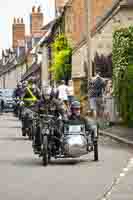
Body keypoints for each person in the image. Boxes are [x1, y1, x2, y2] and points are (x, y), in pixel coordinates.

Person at [32, 85, 67, 153]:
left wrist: (64, 116)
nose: (47, 97)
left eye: (48, 95)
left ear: (51, 94)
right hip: (43, 121)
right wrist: (34, 115)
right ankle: (37, 146)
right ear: (43, 95)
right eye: (45, 95)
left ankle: (58, 146)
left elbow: (61, 110)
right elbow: (35, 110)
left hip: (53, 121)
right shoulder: (40, 102)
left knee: (58, 131)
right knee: (38, 129)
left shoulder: (55, 102)